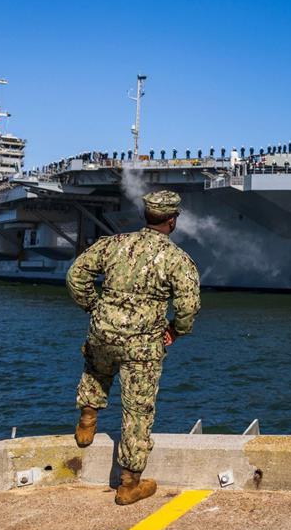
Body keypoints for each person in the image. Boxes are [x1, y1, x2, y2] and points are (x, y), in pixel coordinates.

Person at [67, 190, 202, 505]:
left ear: (147, 216)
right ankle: (129, 485)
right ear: (172, 220)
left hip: (103, 330)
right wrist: (176, 331)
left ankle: (87, 421)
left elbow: (76, 276)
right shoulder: (177, 258)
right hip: (142, 344)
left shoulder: (113, 243)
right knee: (137, 410)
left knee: (96, 369)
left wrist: (94, 307)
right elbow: (189, 306)